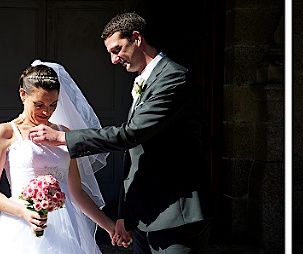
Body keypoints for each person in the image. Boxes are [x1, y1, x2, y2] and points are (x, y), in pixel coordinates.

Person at [28, 12, 210, 254]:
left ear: (136, 38)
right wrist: (124, 214)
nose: (114, 60)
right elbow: (134, 156)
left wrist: (64, 138)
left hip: (177, 214)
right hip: (144, 216)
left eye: (117, 50)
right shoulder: (145, 81)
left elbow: (130, 135)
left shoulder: (173, 77)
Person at [0, 61, 115, 253]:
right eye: (39, 104)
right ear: (22, 95)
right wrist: (22, 211)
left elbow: (76, 193)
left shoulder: (63, 133)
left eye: (53, 105)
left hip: (67, 226)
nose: (46, 112)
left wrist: (109, 226)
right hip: (23, 222)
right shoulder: (5, 133)